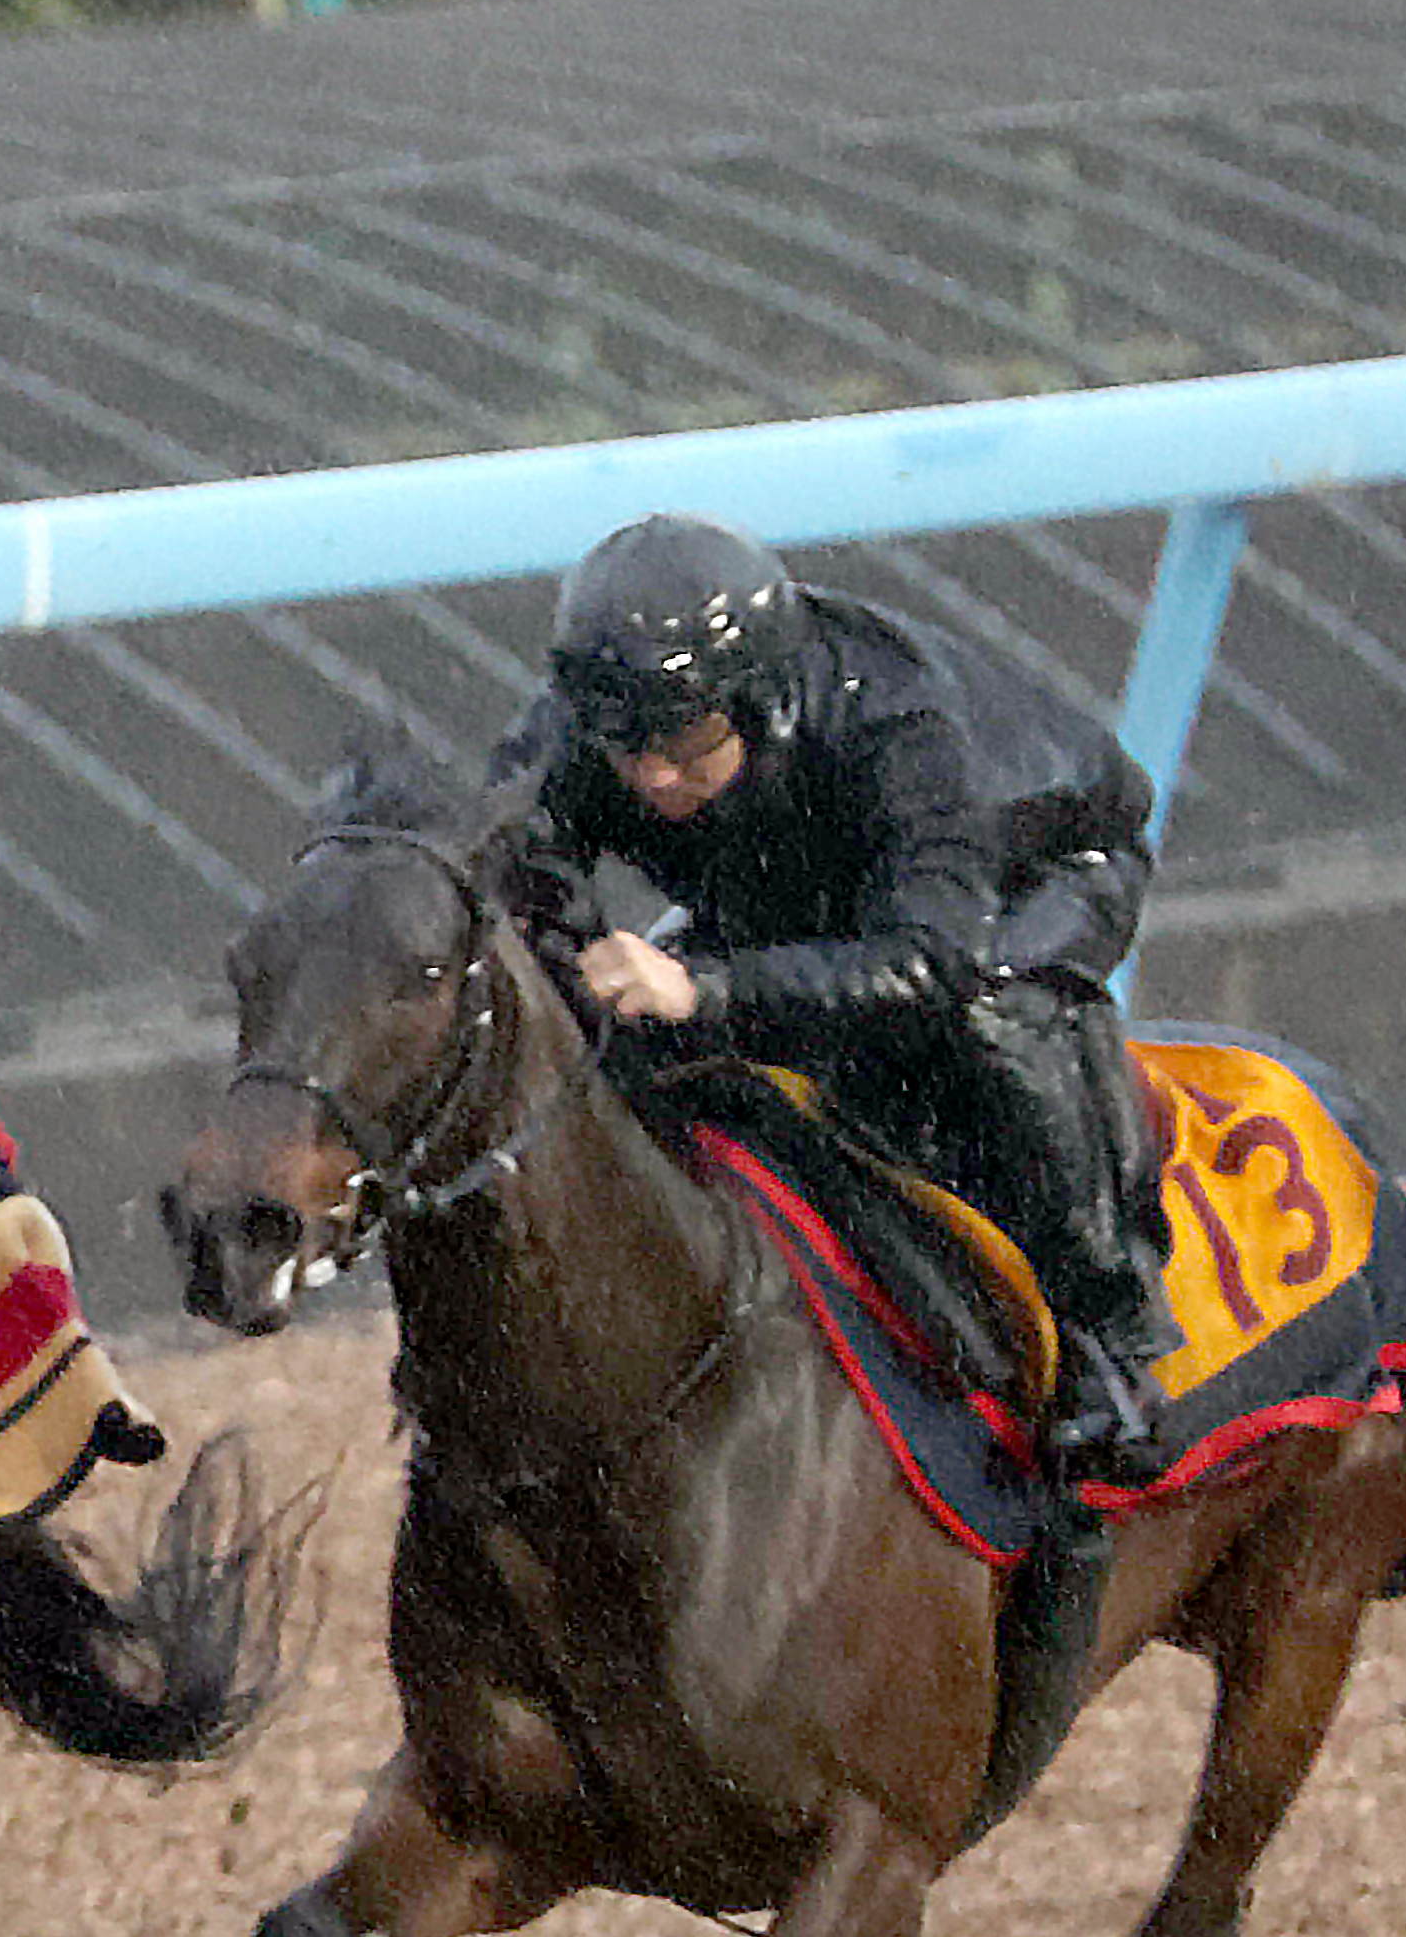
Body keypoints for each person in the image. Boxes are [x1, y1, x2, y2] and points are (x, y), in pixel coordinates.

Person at [492, 511, 1173, 1481]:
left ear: (756, 701)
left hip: (1022, 883)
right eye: (623, 749)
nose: (650, 778)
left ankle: (1109, 1337)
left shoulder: (903, 727)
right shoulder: (605, 714)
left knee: (990, 1012)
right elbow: (509, 858)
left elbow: (926, 964)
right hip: (804, 879)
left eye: (685, 746)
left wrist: (702, 987)